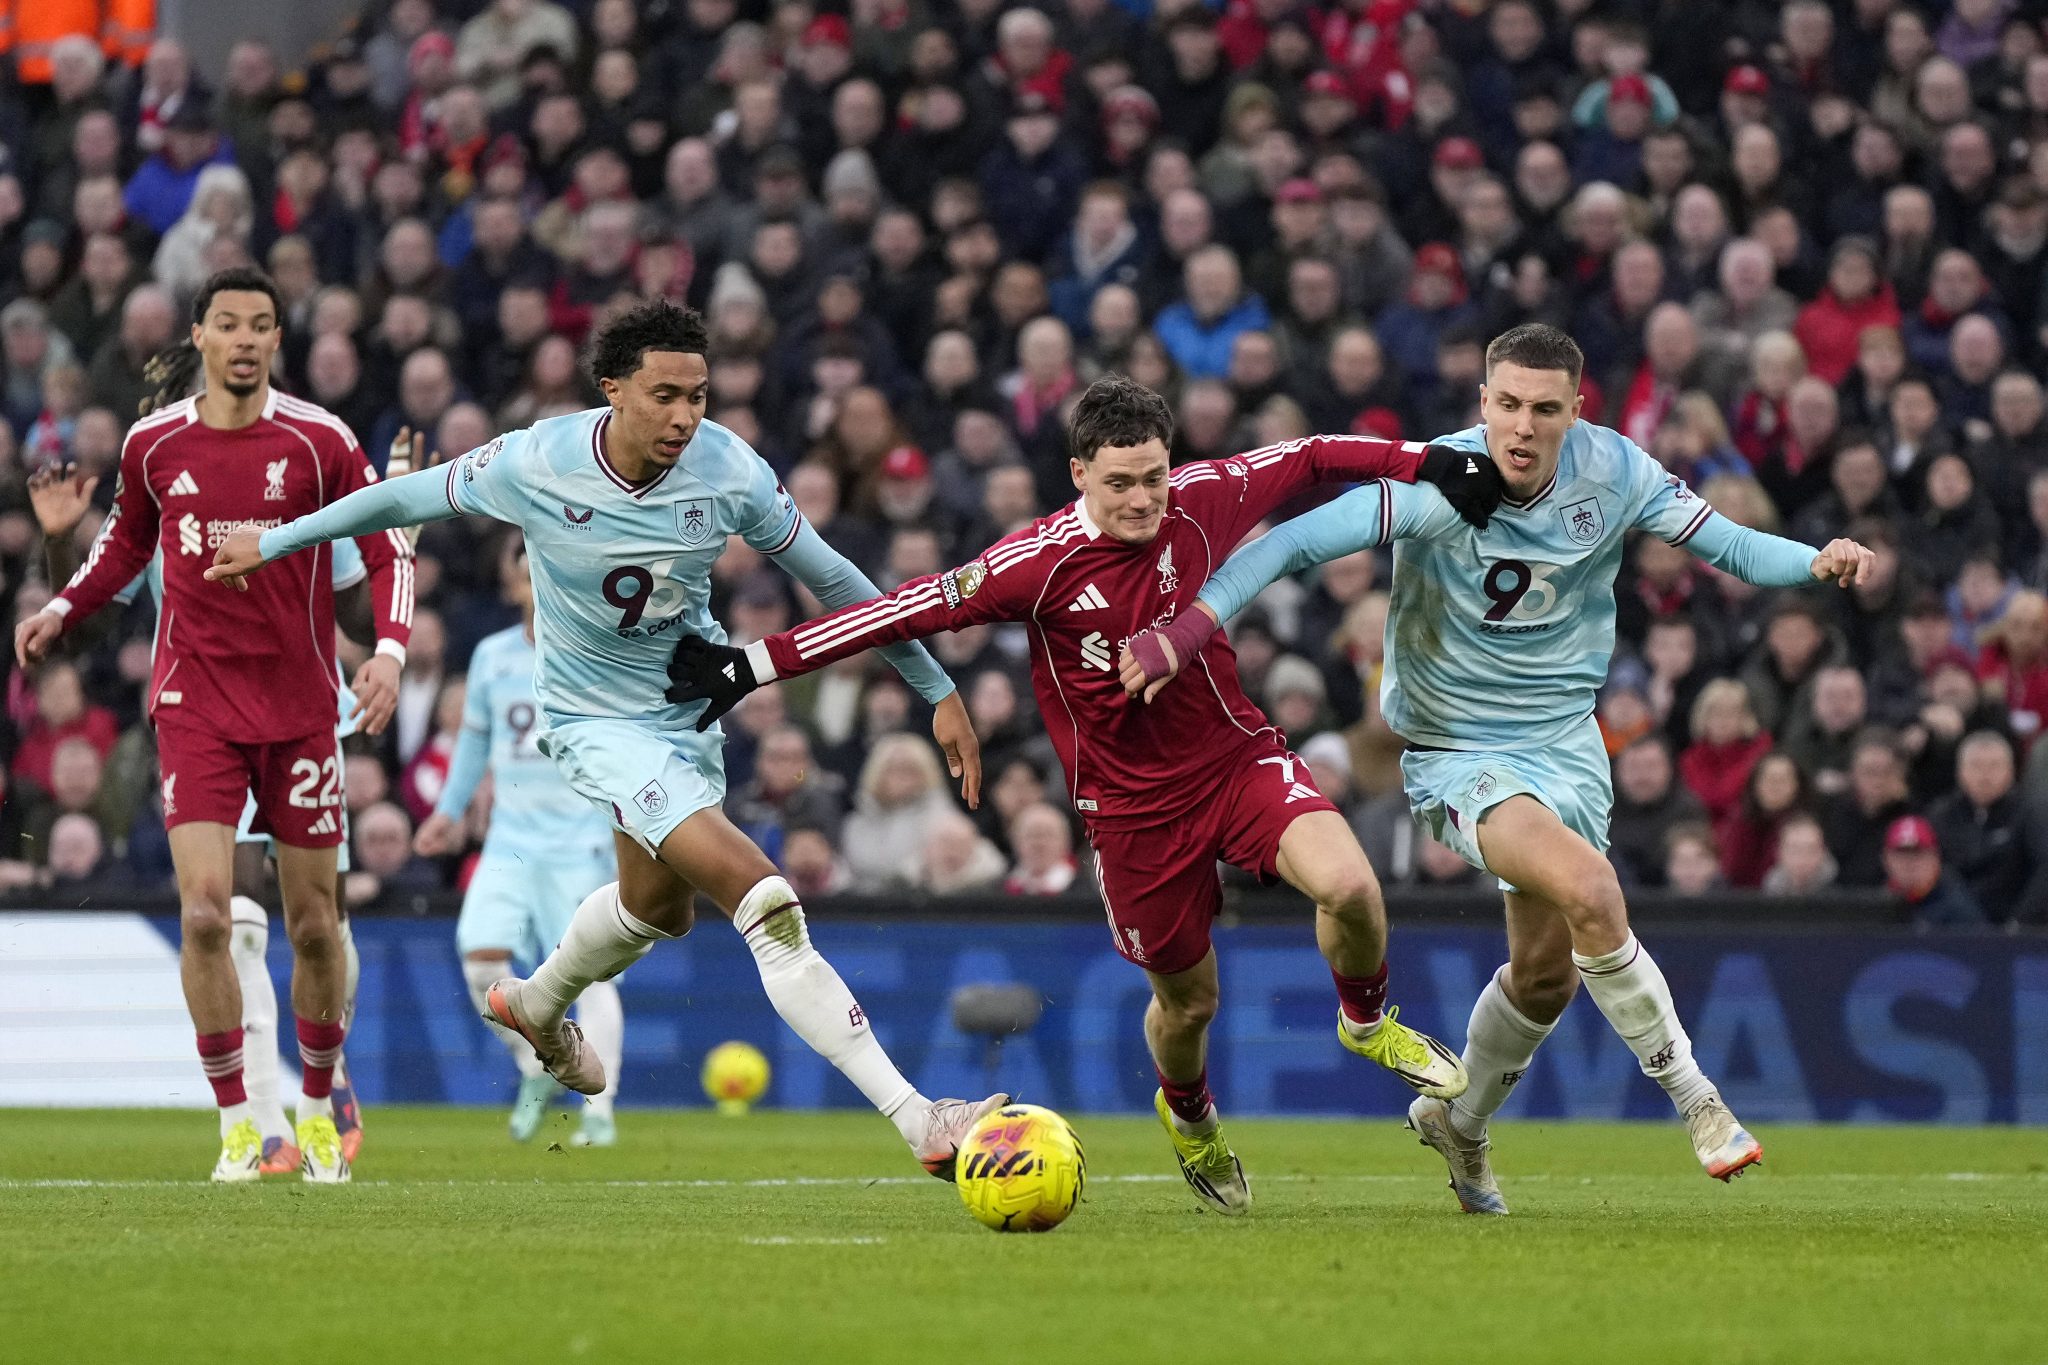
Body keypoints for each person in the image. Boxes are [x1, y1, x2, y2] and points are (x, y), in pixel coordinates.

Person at [665, 373, 1505, 1215]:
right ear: (1079, 474)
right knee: (1189, 1005)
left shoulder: (1203, 497)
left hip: (1234, 761)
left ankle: (1366, 1021)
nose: (1143, 499)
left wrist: (1428, 460)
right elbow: (903, 610)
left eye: (1154, 477)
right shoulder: (1038, 562)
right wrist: (754, 664)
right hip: (1132, 814)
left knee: (1351, 885)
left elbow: (1315, 454)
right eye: (1120, 482)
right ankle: (1191, 1116)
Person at [209, 300, 1003, 1182]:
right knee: (766, 899)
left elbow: (836, 579)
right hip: (592, 721)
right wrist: (277, 539)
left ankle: (537, 1001)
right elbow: (404, 497)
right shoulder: (537, 460)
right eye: (664, 395)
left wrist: (935, 686)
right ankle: (921, 1118)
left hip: (686, 711)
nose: (684, 416)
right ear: (612, 389)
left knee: (658, 910)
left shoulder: (730, 470)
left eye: (698, 396)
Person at [1123, 323, 1875, 1213]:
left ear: (1575, 411)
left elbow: (1731, 545)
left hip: (1568, 744)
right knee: (1593, 890)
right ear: (1483, 402)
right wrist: (1190, 627)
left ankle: (1461, 1122)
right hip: (1460, 752)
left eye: (1544, 409)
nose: (1522, 426)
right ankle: (1698, 1099)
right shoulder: (1438, 481)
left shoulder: (1615, 470)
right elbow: (1289, 544)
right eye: (1507, 404)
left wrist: (1814, 560)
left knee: (1548, 975)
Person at [15, 267, 416, 1185]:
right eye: (227, 323)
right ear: (198, 336)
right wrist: (60, 607)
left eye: (260, 325)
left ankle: (316, 1107)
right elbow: (124, 545)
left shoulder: (320, 441)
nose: (244, 339)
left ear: (277, 339)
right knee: (206, 914)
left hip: (301, 709)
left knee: (314, 926)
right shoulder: (153, 445)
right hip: (195, 706)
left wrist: (390, 652)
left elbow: (386, 546)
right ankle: (238, 1122)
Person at [413, 538, 626, 1148]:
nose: (538, 579)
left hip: (581, 839)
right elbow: (475, 742)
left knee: (593, 977)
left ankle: (600, 1110)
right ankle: (536, 1062)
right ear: (511, 585)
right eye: (526, 571)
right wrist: (448, 811)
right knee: (481, 960)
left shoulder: (596, 649)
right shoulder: (492, 656)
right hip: (511, 838)